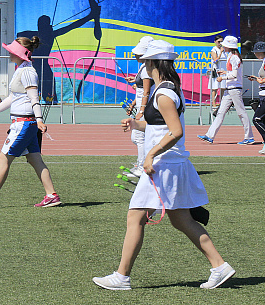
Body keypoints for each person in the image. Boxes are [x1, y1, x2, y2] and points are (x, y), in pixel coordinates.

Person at [93, 40, 235, 291]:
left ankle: (122, 277)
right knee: (181, 220)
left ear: (153, 62)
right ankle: (219, 266)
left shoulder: (164, 93)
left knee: (135, 217)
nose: (143, 65)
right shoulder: (166, 88)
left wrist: (150, 155)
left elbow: (175, 131)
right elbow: (159, 125)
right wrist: (136, 124)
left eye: (145, 60)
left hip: (163, 165)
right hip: (169, 164)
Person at [0, 37, 61, 208]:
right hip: (26, 123)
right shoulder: (22, 70)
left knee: (4, 158)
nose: (10, 53)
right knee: (35, 159)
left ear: (20, 53)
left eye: (12, 51)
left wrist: (40, 120)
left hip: (24, 123)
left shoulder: (27, 72)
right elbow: (13, 97)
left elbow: (34, 98)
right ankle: (52, 195)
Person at [197, 36, 255, 145]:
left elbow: (234, 75)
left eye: (225, 45)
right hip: (230, 89)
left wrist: (222, 77)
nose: (223, 46)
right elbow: (233, 73)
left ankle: (249, 137)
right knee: (220, 112)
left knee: (241, 113)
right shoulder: (232, 56)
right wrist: (225, 73)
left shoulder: (234, 58)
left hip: (234, 89)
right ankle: (210, 136)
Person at [122, 36, 154, 178]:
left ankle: (142, 167)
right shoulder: (144, 66)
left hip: (145, 107)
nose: (136, 55)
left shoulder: (147, 68)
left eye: (139, 53)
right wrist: (134, 80)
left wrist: (141, 110)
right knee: (137, 137)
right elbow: (142, 89)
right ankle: (142, 163)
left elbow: (146, 91)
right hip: (142, 105)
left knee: (139, 137)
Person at [208, 35, 227, 115]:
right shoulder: (214, 50)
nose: (220, 43)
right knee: (215, 88)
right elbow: (215, 60)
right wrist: (220, 53)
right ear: (215, 42)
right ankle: (214, 104)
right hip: (216, 70)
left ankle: (222, 104)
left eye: (221, 41)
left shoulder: (224, 50)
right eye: (219, 42)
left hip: (223, 71)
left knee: (223, 87)